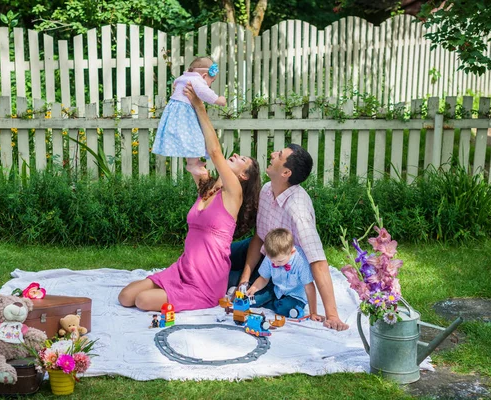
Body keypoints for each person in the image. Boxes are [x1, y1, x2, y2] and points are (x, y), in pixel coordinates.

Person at [118, 82, 261, 312]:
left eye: (242, 159)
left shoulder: (234, 192)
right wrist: (182, 108)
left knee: (143, 301)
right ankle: (169, 287)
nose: (235, 154)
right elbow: (192, 153)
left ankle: (184, 294)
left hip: (206, 280)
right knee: (125, 297)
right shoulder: (210, 187)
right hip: (184, 268)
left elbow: (214, 151)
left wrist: (199, 105)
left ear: (244, 176)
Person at [229, 144, 349, 331]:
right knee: (219, 256)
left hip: (279, 263)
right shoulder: (267, 190)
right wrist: (244, 280)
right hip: (261, 251)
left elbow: (317, 261)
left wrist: (332, 315)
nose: (272, 154)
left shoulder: (298, 210)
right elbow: (259, 238)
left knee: (225, 281)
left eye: (279, 155)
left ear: (286, 173)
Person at [151, 57, 227, 176]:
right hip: (184, 113)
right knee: (194, 137)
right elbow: (205, 93)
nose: (210, 85)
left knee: (190, 138)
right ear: (204, 76)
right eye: (211, 81)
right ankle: (192, 164)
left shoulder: (182, 78)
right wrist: (219, 100)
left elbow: (176, 85)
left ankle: (193, 162)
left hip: (175, 112)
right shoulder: (197, 81)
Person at [246, 228, 324, 320]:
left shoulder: (301, 261)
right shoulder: (272, 256)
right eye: (272, 261)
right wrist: (252, 289)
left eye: (279, 261)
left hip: (296, 296)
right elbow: (264, 278)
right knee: (252, 301)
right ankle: (274, 302)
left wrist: (313, 312)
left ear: (292, 252)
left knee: (283, 308)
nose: (275, 264)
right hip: (277, 289)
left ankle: (294, 309)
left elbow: (309, 286)